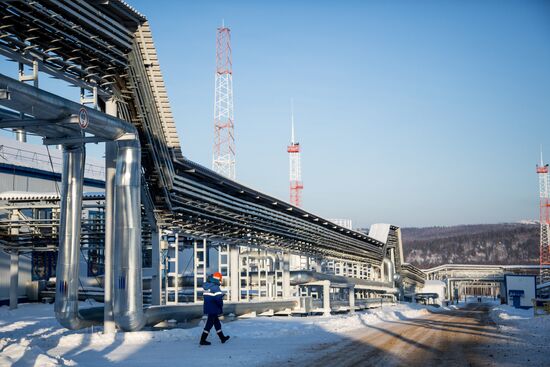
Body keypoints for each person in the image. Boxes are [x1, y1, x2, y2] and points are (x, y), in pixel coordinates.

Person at [199, 272, 230, 346]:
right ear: (218, 279)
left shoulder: (207, 286)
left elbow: (210, 296)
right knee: (209, 325)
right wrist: (221, 303)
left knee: (217, 323)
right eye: (220, 279)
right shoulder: (215, 287)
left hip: (209, 307)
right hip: (214, 308)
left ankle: (222, 338)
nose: (221, 281)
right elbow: (218, 299)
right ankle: (202, 340)